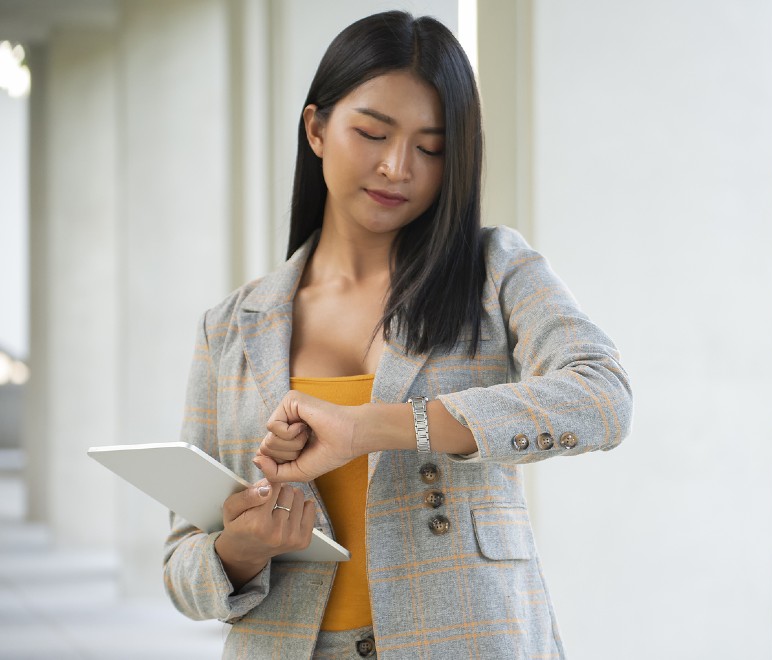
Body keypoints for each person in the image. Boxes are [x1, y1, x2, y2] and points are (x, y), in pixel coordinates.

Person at [163, 10, 632, 659]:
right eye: (372, 133)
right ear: (317, 127)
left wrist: (382, 426)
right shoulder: (231, 328)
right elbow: (183, 564)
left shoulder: (493, 272)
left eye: (430, 148)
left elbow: (603, 397)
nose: (396, 167)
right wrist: (240, 549)